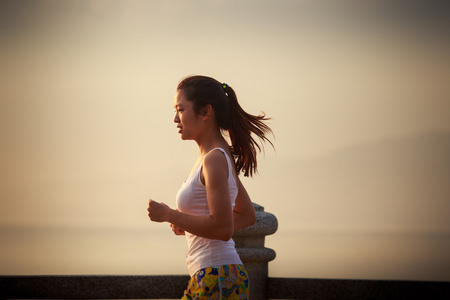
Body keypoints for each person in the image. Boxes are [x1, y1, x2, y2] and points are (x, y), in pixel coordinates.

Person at [147, 75, 273, 299]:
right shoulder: (217, 155)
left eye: (181, 110)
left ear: (205, 112)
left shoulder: (214, 159)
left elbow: (223, 229)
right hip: (213, 275)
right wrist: (190, 225)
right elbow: (246, 215)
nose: (175, 119)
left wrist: (169, 214)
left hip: (218, 276)